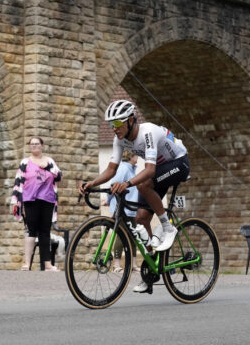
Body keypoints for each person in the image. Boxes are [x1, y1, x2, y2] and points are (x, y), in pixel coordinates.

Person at [80, 99, 190, 293]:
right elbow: (112, 168)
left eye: (116, 123)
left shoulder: (147, 132)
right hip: (160, 171)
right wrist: (92, 183)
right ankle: (151, 271)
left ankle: (167, 227)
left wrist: (128, 183)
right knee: (140, 218)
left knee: (143, 184)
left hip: (178, 163)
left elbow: (149, 170)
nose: (113, 128)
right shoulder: (120, 139)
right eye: (110, 125)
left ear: (130, 120)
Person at [10, 136, 62, 271]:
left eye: (37, 144)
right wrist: (15, 201)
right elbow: (18, 181)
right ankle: (27, 263)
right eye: (32, 144)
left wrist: (49, 167)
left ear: (42, 146)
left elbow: (59, 176)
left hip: (48, 200)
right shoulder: (25, 162)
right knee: (31, 230)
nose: (34, 146)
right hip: (30, 200)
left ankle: (47, 264)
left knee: (45, 231)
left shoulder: (49, 161)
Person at [100, 150, 140, 273]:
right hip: (122, 208)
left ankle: (133, 264)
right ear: (131, 156)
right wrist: (108, 199)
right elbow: (114, 185)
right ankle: (116, 265)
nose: (138, 157)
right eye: (136, 155)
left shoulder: (132, 169)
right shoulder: (123, 168)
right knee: (121, 236)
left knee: (134, 236)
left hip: (131, 208)